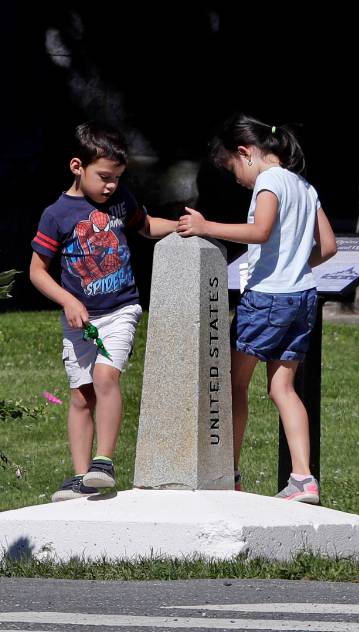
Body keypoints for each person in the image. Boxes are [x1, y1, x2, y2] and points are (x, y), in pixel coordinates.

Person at [177, 113, 337, 504]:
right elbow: (329, 246)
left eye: (234, 170)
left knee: (234, 384)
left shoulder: (268, 182)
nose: (238, 180)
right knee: (283, 388)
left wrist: (206, 226)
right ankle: (303, 479)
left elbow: (260, 231)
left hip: (266, 298)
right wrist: (295, 263)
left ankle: (227, 474)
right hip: (303, 297)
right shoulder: (304, 185)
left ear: (245, 153)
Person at [30, 122, 178, 501]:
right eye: (104, 177)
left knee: (105, 376)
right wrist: (68, 300)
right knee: (81, 395)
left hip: (120, 308)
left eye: (117, 178)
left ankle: (103, 462)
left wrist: (181, 227)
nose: (111, 185)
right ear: (77, 166)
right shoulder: (57, 214)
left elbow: (144, 226)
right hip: (79, 316)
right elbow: (37, 271)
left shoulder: (120, 201)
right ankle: (83, 479)